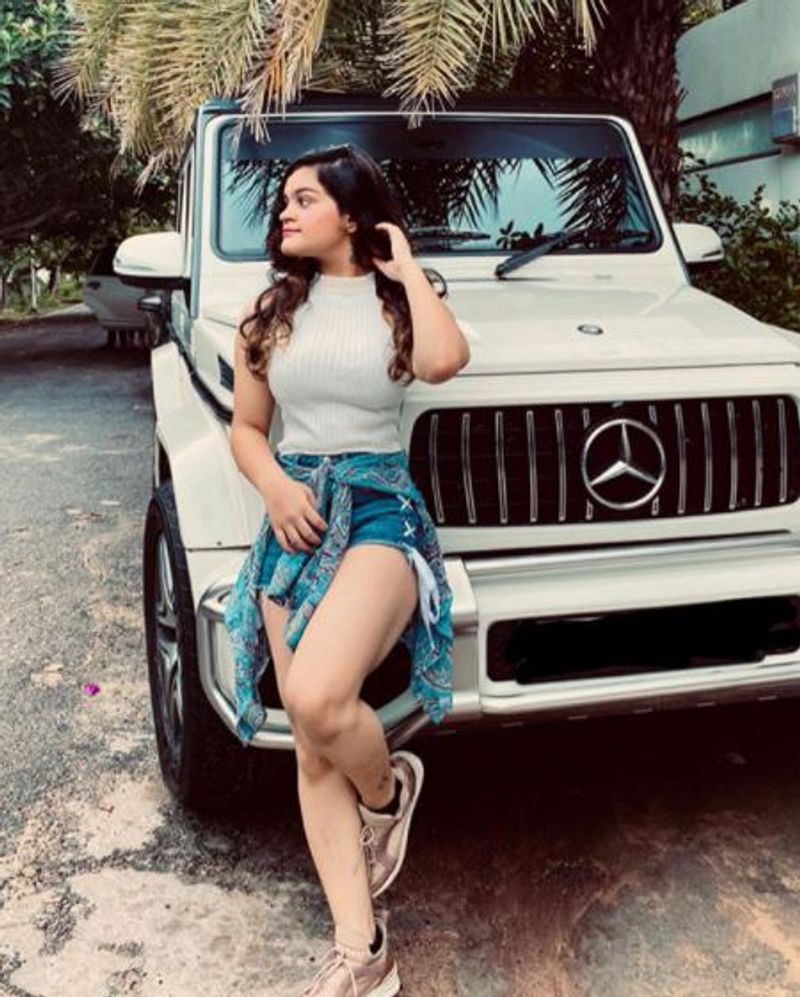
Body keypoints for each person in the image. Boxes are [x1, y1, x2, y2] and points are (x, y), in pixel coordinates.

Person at [225, 142, 470, 996]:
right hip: (295, 515)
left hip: (378, 509)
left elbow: (443, 363)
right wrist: (275, 486)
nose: (286, 212)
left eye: (305, 199)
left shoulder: (402, 300)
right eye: (284, 201)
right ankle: (362, 952)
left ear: (353, 213)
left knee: (318, 697)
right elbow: (247, 429)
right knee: (311, 747)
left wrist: (405, 268)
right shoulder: (268, 313)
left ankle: (387, 793)